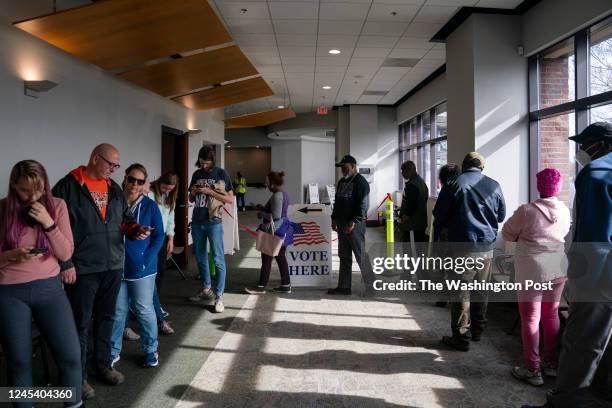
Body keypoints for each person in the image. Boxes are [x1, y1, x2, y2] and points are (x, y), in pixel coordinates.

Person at [522, 122, 612, 408]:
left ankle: (565, 403)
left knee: (581, 341)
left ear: (598, 144)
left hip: (599, 279)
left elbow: (594, 239)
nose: (581, 151)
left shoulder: (598, 174)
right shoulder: (561, 208)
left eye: (584, 145)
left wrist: (580, 284)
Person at [52, 143, 150, 399]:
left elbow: (125, 220)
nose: (114, 169)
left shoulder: (113, 187)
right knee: (80, 322)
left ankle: (103, 365)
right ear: (96, 159)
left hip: (113, 265)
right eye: (111, 164)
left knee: (108, 318)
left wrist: (135, 230)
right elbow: (52, 230)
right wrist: (65, 264)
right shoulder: (67, 187)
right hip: (82, 267)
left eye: (117, 166)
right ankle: (78, 376)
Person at [0, 160, 82, 408]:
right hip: (10, 292)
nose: (32, 196)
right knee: (19, 362)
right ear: (14, 186)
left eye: (38, 189)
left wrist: (49, 223)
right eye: (24, 190)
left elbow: (66, 253)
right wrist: (12, 255)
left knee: (70, 357)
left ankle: (73, 404)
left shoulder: (57, 205)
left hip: (49, 289)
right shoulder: (2, 209)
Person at [502, 168, 571, 386]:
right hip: (558, 267)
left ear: (539, 186)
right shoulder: (565, 209)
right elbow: (565, 233)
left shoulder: (527, 210)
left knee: (531, 319)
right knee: (551, 315)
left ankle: (532, 368)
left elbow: (507, 233)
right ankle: (550, 364)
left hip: (532, 269)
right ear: (558, 187)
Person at [432, 152, 506, 351]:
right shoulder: (494, 185)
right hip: (486, 248)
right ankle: (478, 331)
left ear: (464, 166)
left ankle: (461, 338)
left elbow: (438, 214)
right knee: (481, 291)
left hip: (462, 248)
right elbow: (501, 216)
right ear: (482, 167)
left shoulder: (454, 184)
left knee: (460, 292)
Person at [110, 164, 164, 369]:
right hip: (116, 266)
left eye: (140, 181)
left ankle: (151, 350)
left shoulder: (150, 206)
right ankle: (113, 352)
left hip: (142, 269)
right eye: (131, 179)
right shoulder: (114, 201)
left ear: (144, 184)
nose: (134, 184)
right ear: (125, 178)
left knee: (144, 310)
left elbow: (158, 237)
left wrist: (146, 259)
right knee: (117, 311)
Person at [187, 146, 234, 313]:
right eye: (201, 163)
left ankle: (219, 295)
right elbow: (190, 198)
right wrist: (193, 192)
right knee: (200, 257)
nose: (204, 166)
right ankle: (206, 288)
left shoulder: (221, 173)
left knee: (218, 258)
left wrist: (210, 192)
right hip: (197, 221)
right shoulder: (196, 174)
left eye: (207, 163)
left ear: (212, 160)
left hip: (213, 221)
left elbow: (229, 199)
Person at [329, 154, 375, 296]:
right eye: (342, 168)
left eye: (346, 167)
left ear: (354, 167)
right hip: (342, 224)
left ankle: (372, 287)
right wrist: (334, 218)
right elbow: (338, 202)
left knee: (360, 255)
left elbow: (363, 205)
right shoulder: (342, 182)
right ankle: (344, 286)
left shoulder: (361, 183)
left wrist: (354, 222)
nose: (343, 170)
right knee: (344, 256)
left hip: (355, 225)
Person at [245, 171, 293, 294]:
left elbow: (275, 216)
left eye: (267, 183)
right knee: (281, 257)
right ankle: (286, 285)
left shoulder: (277, 195)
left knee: (266, 260)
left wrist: (262, 214)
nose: (266, 186)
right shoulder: (284, 194)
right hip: (282, 229)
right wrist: (263, 208)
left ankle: (261, 287)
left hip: (274, 231)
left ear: (273, 183)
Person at [148, 172, 178, 335]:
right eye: (165, 187)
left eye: (170, 189)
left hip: (162, 239)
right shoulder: (150, 193)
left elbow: (170, 218)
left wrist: (171, 239)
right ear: (160, 183)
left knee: (160, 273)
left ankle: (155, 304)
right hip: (149, 239)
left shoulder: (169, 197)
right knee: (149, 275)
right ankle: (152, 309)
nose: (167, 191)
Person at [398, 161, 429, 242]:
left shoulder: (412, 185)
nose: (402, 174)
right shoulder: (421, 182)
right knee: (418, 248)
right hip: (420, 222)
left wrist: (405, 216)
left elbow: (411, 204)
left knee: (410, 249)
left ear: (410, 171)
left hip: (412, 225)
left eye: (403, 171)